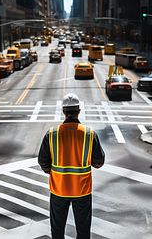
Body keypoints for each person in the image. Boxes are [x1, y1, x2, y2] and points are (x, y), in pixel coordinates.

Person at [38, 93, 105, 239]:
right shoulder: (89, 133)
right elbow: (99, 162)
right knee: (83, 230)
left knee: (57, 230)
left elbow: (43, 161)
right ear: (78, 111)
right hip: (82, 190)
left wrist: (55, 173)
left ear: (64, 112)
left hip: (59, 189)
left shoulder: (51, 134)